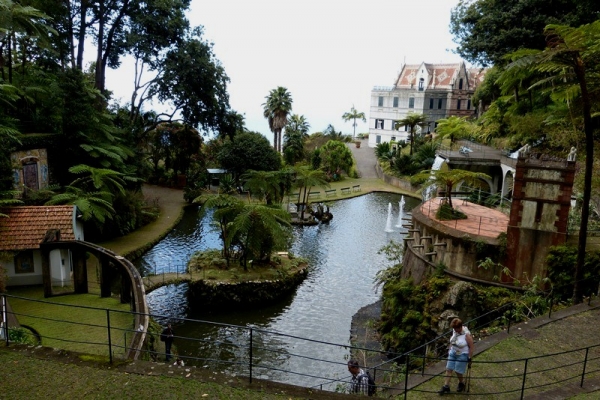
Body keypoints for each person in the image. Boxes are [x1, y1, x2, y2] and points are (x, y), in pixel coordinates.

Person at [439, 318, 474, 395]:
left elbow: (471, 347)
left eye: (456, 328)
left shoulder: (466, 334)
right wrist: (450, 349)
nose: (454, 330)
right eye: (454, 328)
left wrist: (469, 357)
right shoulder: (455, 331)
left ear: (460, 327)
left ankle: (461, 383)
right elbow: (453, 340)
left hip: (462, 354)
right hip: (453, 352)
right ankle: (446, 386)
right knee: (449, 369)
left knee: (458, 371)